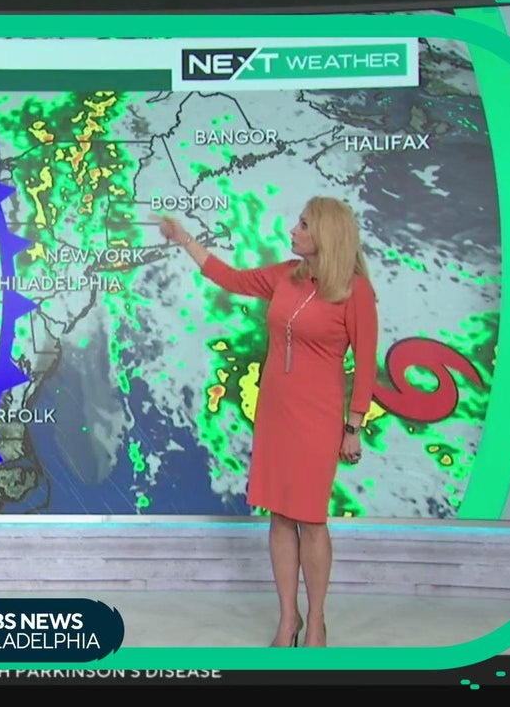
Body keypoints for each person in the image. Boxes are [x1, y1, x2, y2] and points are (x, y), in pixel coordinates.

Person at [158, 196, 379, 648]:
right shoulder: (286, 275)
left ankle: (316, 622)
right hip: (276, 414)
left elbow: (367, 363)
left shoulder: (354, 291)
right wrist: (183, 239)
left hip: (319, 418)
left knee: (311, 519)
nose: (293, 230)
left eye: (303, 225)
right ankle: (288, 619)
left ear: (326, 235)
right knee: (279, 515)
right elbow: (230, 278)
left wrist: (353, 427)